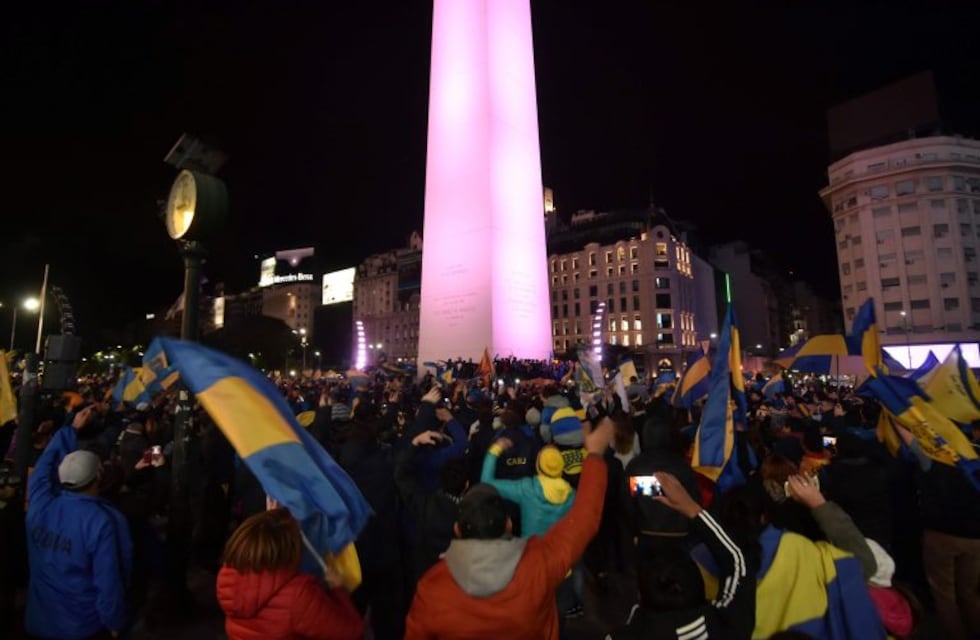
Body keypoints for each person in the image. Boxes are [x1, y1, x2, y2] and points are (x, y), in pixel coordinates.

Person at [404, 416, 614, 640]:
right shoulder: (540, 565)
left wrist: (495, 451)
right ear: (509, 524)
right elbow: (585, 518)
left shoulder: (432, 588)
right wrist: (594, 456)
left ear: (457, 529)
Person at [25, 405, 134, 640]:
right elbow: (109, 582)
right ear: (98, 476)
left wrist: (70, 429)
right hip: (82, 627)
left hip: (39, 620)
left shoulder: (40, 504)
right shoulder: (100, 521)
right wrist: (114, 622)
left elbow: (45, 465)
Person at [607, 472, 748, 640]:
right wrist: (692, 508)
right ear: (700, 589)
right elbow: (736, 559)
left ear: (641, 596)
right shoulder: (726, 625)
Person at [216, 508, 364, 640]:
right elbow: (352, 632)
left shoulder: (228, 576)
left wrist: (273, 520)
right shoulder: (298, 595)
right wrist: (338, 589)